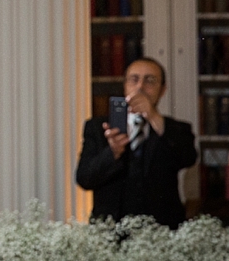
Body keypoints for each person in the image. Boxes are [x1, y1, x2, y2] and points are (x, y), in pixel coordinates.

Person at [76, 57, 197, 229]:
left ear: (162, 90)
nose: (140, 87)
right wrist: (112, 153)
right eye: (134, 80)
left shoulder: (177, 129)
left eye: (150, 81)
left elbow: (187, 158)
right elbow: (84, 179)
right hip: (110, 233)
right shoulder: (97, 128)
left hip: (162, 231)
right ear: (125, 86)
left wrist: (154, 117)